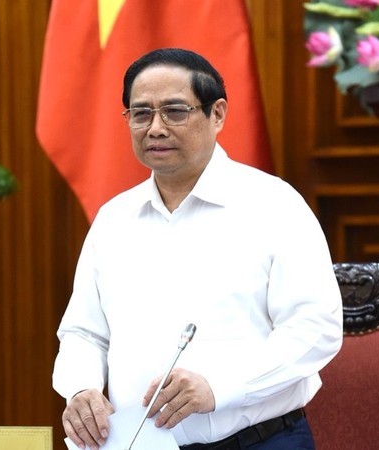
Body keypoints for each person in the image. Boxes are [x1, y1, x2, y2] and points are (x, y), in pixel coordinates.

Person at [52, 48, 343, 450]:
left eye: (174, 111)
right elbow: (84, 331)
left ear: (217, 114)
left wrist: (220, 386)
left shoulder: (274, 205)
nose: (155, 128)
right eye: (141, 114)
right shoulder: (114, 219)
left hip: (257, 442)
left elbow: (315, 329)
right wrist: (81, 387)